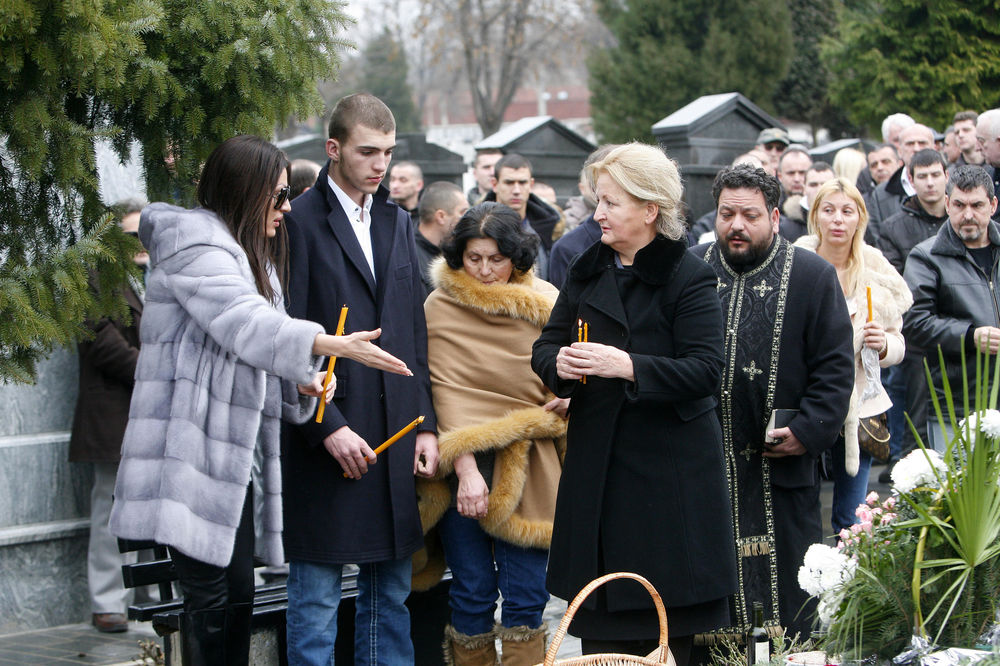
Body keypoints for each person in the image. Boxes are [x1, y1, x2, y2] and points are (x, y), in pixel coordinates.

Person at [108, 135, 411, 666]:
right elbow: (244, 324)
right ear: (246, 192)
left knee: (236, 598)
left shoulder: (250, 255)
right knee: (213, 603)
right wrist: (329, 344)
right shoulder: (194, 244)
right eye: (279, 195)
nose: (287, 208)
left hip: (229, 461)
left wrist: (301, 384)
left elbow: (245, 355)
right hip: (186, 452)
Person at [532, 143, 737, 665]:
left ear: (650, 210)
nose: (597, 213)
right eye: (597, 201)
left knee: (665, 630)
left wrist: (626, 365)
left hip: (668, 478)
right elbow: (546, 346)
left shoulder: (689, 275)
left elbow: (706, 370)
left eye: (611, 202)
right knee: (603, 629)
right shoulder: (586, 270)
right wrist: (560, 364)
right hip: (598, 471)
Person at [280, 93, 439, 666]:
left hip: (394, 430)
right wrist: (325, 427)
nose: (381, 165)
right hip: (326, 432)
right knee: (316, 600)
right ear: (333, 148)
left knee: (390, 596)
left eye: (388, 153)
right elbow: (285, 337)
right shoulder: (296, 223)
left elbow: (412, 331)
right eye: (368, 151)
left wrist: (425, 425)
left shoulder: (397, 220)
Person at [690, 164, 854, 647]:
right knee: (709, 601)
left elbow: (835, 367)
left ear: (775, 217)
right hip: (706, 466)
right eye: (727, 214)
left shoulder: (812, 275)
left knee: (790, 604)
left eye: (750, 215)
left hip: (780, 467)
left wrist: (807, 429)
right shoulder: (692, 269)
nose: (736, 226)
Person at [419, 202, 565, 665]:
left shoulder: (546, 300)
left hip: (530, 462)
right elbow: (443, 392)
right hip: (461, 463)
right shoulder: (440, 306)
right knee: (472, 591)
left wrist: (570, 398)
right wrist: (465, 470)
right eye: (474, 258)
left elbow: (566, 372)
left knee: (527, 595)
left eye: (496, 259)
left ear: (516, 257)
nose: (484, 270)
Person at [793, 179, 911, 534]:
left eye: (847, 211)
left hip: (861, 409)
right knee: (802, 509)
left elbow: (899, 343)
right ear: (815, 216)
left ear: (860, 217)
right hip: (806, 403)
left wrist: (884, 344)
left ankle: (851, 569)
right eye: (828, 210)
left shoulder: (875, 268)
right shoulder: (796, 262)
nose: (837, 220)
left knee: (851, 518)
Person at [70, 198, 147, 634]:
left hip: (156, 412)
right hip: (114, 413)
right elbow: (100, 341)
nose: (140, 243)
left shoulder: (161, 275)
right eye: (130, 235)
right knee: (111, 509)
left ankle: (151, 593)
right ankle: (107, 602)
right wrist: (155, 372)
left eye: (144, 233)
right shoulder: (95, 277)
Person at [903, 165, 1000, 452]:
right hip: (956, 402)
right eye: (959, 205)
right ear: (947, 204)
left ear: (993, 205)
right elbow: (914, 322)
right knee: (958, 480)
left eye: (977, 205)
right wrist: (969, 336)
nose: (967, 214)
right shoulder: (926, 256)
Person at [484, 153, 564, 279]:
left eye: (522, 183)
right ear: (494, 184)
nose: (516, 190)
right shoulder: (476, 225)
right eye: (509, 183)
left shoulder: (551, 226)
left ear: (531, 185)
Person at [414, 181, 469, 297]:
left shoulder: (459, 249)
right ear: (441, 216)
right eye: (463, 212)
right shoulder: (408, 257)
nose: (468, 219)